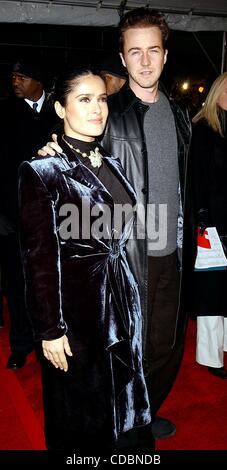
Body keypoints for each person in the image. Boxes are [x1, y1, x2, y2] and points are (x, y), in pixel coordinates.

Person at [38, 8, 192, 439]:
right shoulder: (109, 114)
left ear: (165, 55)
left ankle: (143, 410)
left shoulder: (180, 116)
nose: (145, 61)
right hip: (126, 255)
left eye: (153, 51)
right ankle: (125, 424)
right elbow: (72, 146)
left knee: (167, 346)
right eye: (135, 52)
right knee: (129, 349)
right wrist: (54, 150)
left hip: (173, 250)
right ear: (122, 59)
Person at [18, 66, 151, 452]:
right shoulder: (43, 170)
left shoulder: (111, 163)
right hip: (75, 312)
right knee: (81, 415)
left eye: (102, 99)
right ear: (60, 109)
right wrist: (49, 330)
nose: (97, 109)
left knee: (122, 405)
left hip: (121, 302)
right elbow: (37, 259)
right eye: (84, 99)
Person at [0, 62, 60, 369]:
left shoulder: (59, 110)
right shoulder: (5, 112)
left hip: (53, 216)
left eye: (22, 76)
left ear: (39, 80)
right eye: (12, 76)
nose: (15, 81)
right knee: (17, 282)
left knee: (51, 281)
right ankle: (22, 345)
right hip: (13, 216)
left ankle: (50, 341)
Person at [190, 72, 227, 379]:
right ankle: (210, 356)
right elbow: (196, 180)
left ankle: (224, 346)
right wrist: (202, 220)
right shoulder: (201, 129)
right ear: (217, 93)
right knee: (211, 292)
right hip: (211, 225)